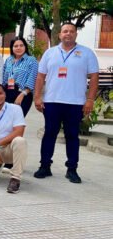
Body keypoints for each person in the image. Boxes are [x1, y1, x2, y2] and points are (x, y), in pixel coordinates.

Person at [34, 22, 99, 184]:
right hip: (52, 101)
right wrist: (37, 97)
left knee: (72, 136)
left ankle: (72, 169)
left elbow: (94, 77)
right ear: (59, 35)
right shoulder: (50, 53)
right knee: (49, 134)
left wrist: (90, 99)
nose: (68, 34)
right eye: (65, 31)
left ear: (76, 34)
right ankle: (45, 166)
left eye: (71, 31)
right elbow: (41, 76)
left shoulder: (87, 53)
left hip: (75, 103)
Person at [2, 37, 38, 116]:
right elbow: (4, 78)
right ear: (12, 48)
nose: (19, 48)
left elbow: (32, 79)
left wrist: (22, 95)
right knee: (5, 121)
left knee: (17, 121)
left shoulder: (31, 60)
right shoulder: (8, 60)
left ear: (25, 46)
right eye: (16, 46)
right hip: (7, 92)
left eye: (21, 45)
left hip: (22, 93)